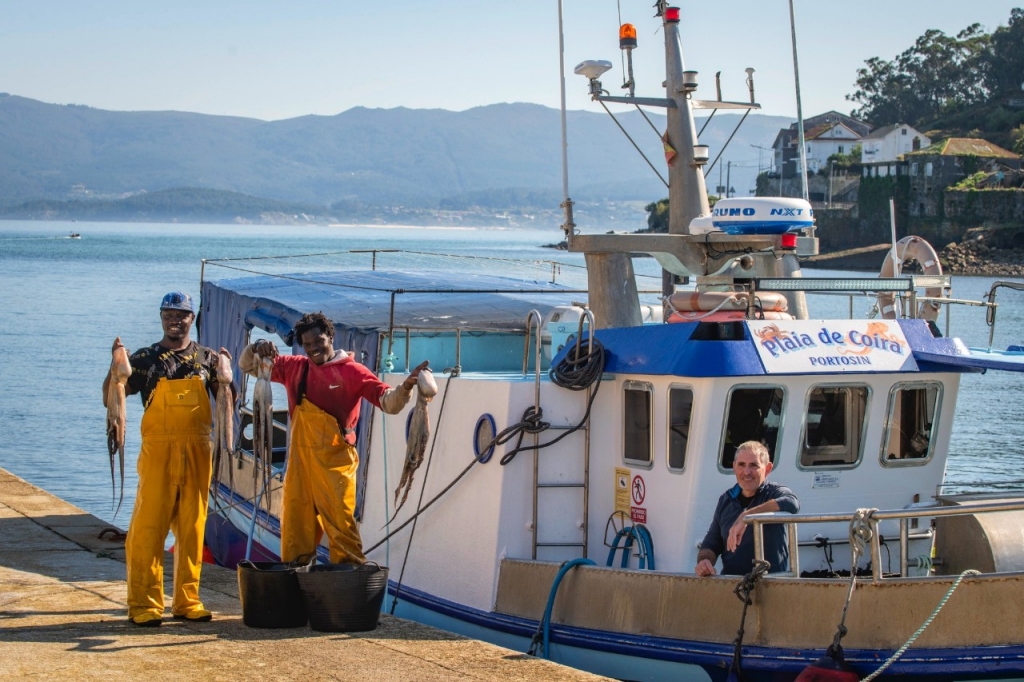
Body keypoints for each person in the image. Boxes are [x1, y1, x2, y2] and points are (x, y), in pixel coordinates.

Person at [239, 311, 427, 565]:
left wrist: (406, 387)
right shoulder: (294, 367)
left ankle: (349, 586)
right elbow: (247, 366)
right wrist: (255, 347)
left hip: (336, 465)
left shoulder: (353, 372)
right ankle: (298, 584)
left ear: (330, 337)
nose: (313, 349)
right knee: (295, 530)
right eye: (307, 345)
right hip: (300, 466)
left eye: (318, 341)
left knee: (342, 530)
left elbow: (389, 403)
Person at [102, 291, 233, 627]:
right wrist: (115, 363)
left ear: (193, 318)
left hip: (197, 451)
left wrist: (226, 375)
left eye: (183, 315)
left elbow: (224, 402)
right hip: (158, 452)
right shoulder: (145, 359)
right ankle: (144, 603)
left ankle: (188, 600)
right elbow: (111, 397)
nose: (176, 320)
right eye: (169, 314)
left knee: (192, 528)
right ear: (161, 317)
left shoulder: (206, 358)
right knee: (149, 528)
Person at [695, 440, 799, 577]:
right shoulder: (726, 500)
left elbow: (792, 503)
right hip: (733, 585)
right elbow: (712, 542)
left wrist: (746, 517)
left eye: (754, 465)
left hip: (772, 585)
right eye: (741, 465)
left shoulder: (774, 492)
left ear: (767, 469)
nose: (746, 472)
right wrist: (704, 561)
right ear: (734, 467)